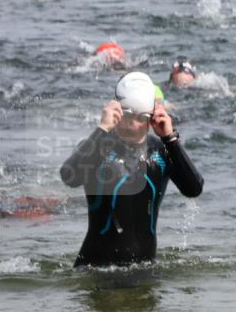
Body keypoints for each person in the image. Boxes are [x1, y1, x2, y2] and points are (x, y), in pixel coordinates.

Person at [60, 72, 204, 267]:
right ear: (115, 110)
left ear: (151, 117)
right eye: (126, 115)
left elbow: (193, 189)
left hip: (144, 270)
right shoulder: (98, 146)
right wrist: (102, 128)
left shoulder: (161, 152)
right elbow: (69, 176)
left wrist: (170, 138)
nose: (132, 124)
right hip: (96, 270)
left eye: (140, 117)